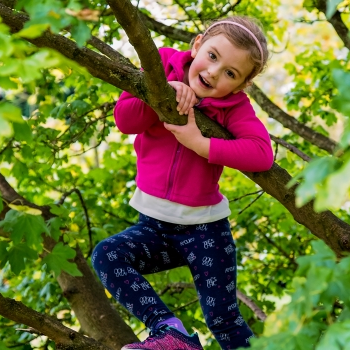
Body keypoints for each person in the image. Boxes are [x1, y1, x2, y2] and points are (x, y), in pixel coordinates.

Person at [92, 15, 273, 350]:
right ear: (198, 44)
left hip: (205, 231)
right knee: (107, 255)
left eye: (230, 73)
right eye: (213, 56)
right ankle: (170, 333)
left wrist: (199, 143)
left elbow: (262, 154)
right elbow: (125, 119)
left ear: (241, 85)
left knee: (224, 319)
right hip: (154, 226)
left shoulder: (233, 106)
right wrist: (161, 94)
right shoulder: (162, 63)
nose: (214, 72)